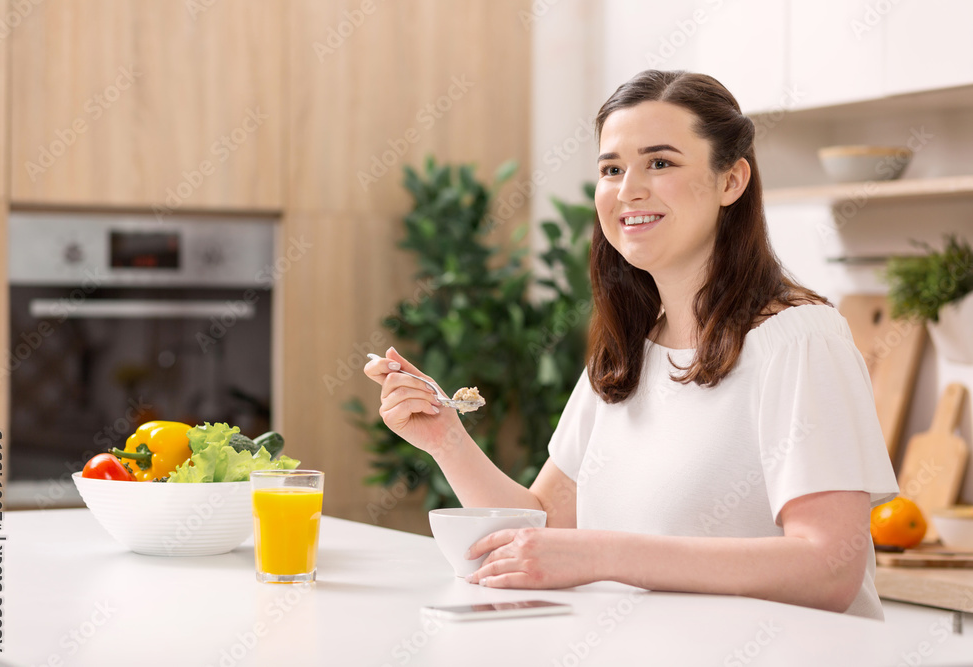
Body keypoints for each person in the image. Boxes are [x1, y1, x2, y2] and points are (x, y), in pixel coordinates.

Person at [364, 70, 899, 620]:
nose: (628, 190)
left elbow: (830, 567)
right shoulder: (627, 352)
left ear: (731, 181)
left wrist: (605, 554)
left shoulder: (801, 340)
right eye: (611, 169)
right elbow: (543, 528)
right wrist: (446, 439)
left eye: (660, 163)